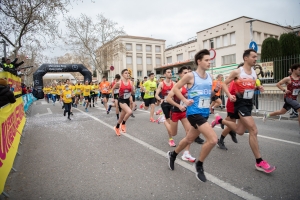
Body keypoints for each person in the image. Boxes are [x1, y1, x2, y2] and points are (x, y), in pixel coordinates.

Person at [211, 49, 276, 174]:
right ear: (245, 58)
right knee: (253, 130)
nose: (256, 59)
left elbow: (250, 86)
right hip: (240, 104)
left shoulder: (253, 73)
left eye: (256, 57)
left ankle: (220, 120)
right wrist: (229, 95)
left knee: (240, 131)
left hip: (248, 103)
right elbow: (224, 83)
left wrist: (258, 87)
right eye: (253, 57)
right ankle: (259, 161)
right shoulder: (237, 71)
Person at [167, 49, 219, 182]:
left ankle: (173, 155)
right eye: (206, 60)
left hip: (204, 113)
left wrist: (216, 91)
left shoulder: (209, 77)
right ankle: (199, 165)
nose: (209, 62)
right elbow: (175, 89)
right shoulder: (190, 76)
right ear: (199, 61)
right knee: (213, 139)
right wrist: (184, 100)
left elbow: (208, 94)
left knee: (188, 139)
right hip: (193, 113)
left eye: (210, 60)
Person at [166, 66, 196, 162]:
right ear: (180, 74)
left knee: (189, 132)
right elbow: (168, 99)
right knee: (173, 133)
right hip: (175, 112)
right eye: (185, 72)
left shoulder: (191, 85)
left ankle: (186, 153)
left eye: (188, 72)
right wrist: (178, 106)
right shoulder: (178, 86)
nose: (187, 74)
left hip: (184, 113)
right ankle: (164, 120)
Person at [263, 63, 300, 134]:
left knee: (282, 112)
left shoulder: (299, 78)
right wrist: (284, 90)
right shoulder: (288, 79)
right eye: (299, 70)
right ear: (294, 70)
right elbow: (278, 84)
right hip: (289, 98)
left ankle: (267, 115)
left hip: (294, 98)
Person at [155, 68, 176, 147]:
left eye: (171, 72)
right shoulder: (161, 84)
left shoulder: (174, 83)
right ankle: (170, 139)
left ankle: (162, 118)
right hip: (165, 104)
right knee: (169, 122)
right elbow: (156, 95)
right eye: (168, 72)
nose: (170, 73)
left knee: (173, 121)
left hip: (172, 103)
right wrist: (160, 99)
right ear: (164, 74)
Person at [112, 69, 135, 136]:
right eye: (125, 73)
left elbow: (132, 92)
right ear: (122, 75)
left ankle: (116, 127)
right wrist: (113, 98)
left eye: (128, 73)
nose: (127, 74)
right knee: (130, 112)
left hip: (127, 100)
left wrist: (132, 89)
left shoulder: (130, 82)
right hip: (121, 101)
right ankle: (123, 124)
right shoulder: (119, 83)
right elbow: (112, 89)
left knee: (121, 117)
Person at [187, 66, 205, 144]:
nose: (188, 74)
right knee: (191, 125)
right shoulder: (182, 83)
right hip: (184, 107)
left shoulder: (194, 82)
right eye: (186, 72)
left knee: (192, 125)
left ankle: (194, 137)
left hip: (197, 106)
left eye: (190, 72)